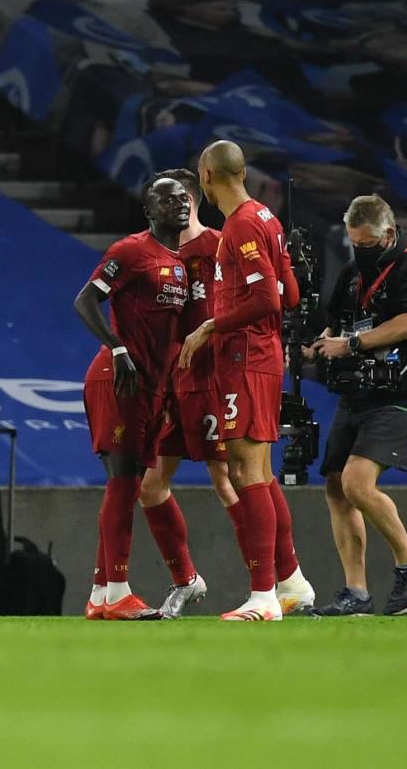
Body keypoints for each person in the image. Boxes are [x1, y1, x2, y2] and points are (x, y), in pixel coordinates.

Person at [144, 167, 314, 618]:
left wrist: (210, 327)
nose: (173, 207)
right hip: (214, 369)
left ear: (201, 185)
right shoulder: (263, 221)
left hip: (233, 365)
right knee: (242, 473)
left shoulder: (233, 231)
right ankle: (285, 580)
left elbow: (270, 300)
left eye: (178, 197)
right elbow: (289, 292)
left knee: (241, 474)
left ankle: (266, 591)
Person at [305, 195, 407, 617]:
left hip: (402, 391)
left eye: (366, 245)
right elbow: (339, 320)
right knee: (335, 486)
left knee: (357, 484)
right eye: (353, 244)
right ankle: (355, 592)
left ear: (389, 233)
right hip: (360, 390)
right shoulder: (352, 272)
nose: (359, 252)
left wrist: (352, 344)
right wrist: (319, 346)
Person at [74, 177, 191, 620]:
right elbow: (85, 301)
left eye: (183, 197)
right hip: (117, 378)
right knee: (123, 483)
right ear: (149, 209)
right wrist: (118, 347)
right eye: (167, 198)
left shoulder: (178, 263)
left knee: (129, 483)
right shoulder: (131, 251)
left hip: (149, 387)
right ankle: (118, 590)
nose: (178, 203)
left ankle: (102, 593)